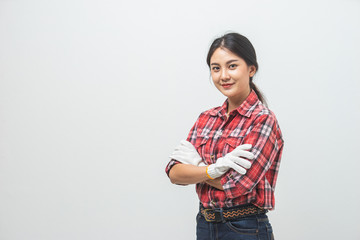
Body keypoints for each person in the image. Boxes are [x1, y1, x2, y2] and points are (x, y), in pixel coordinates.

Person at [165, 32, 284, 240]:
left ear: (251, 69)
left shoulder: (262, 120)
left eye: (232, 66)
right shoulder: (206, 118)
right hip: (205, 224)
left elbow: (239, 184)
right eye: (216, 68)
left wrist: (197, 166)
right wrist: (213, 169)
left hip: (245, 228)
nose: (223, 76)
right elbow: (174, 173)